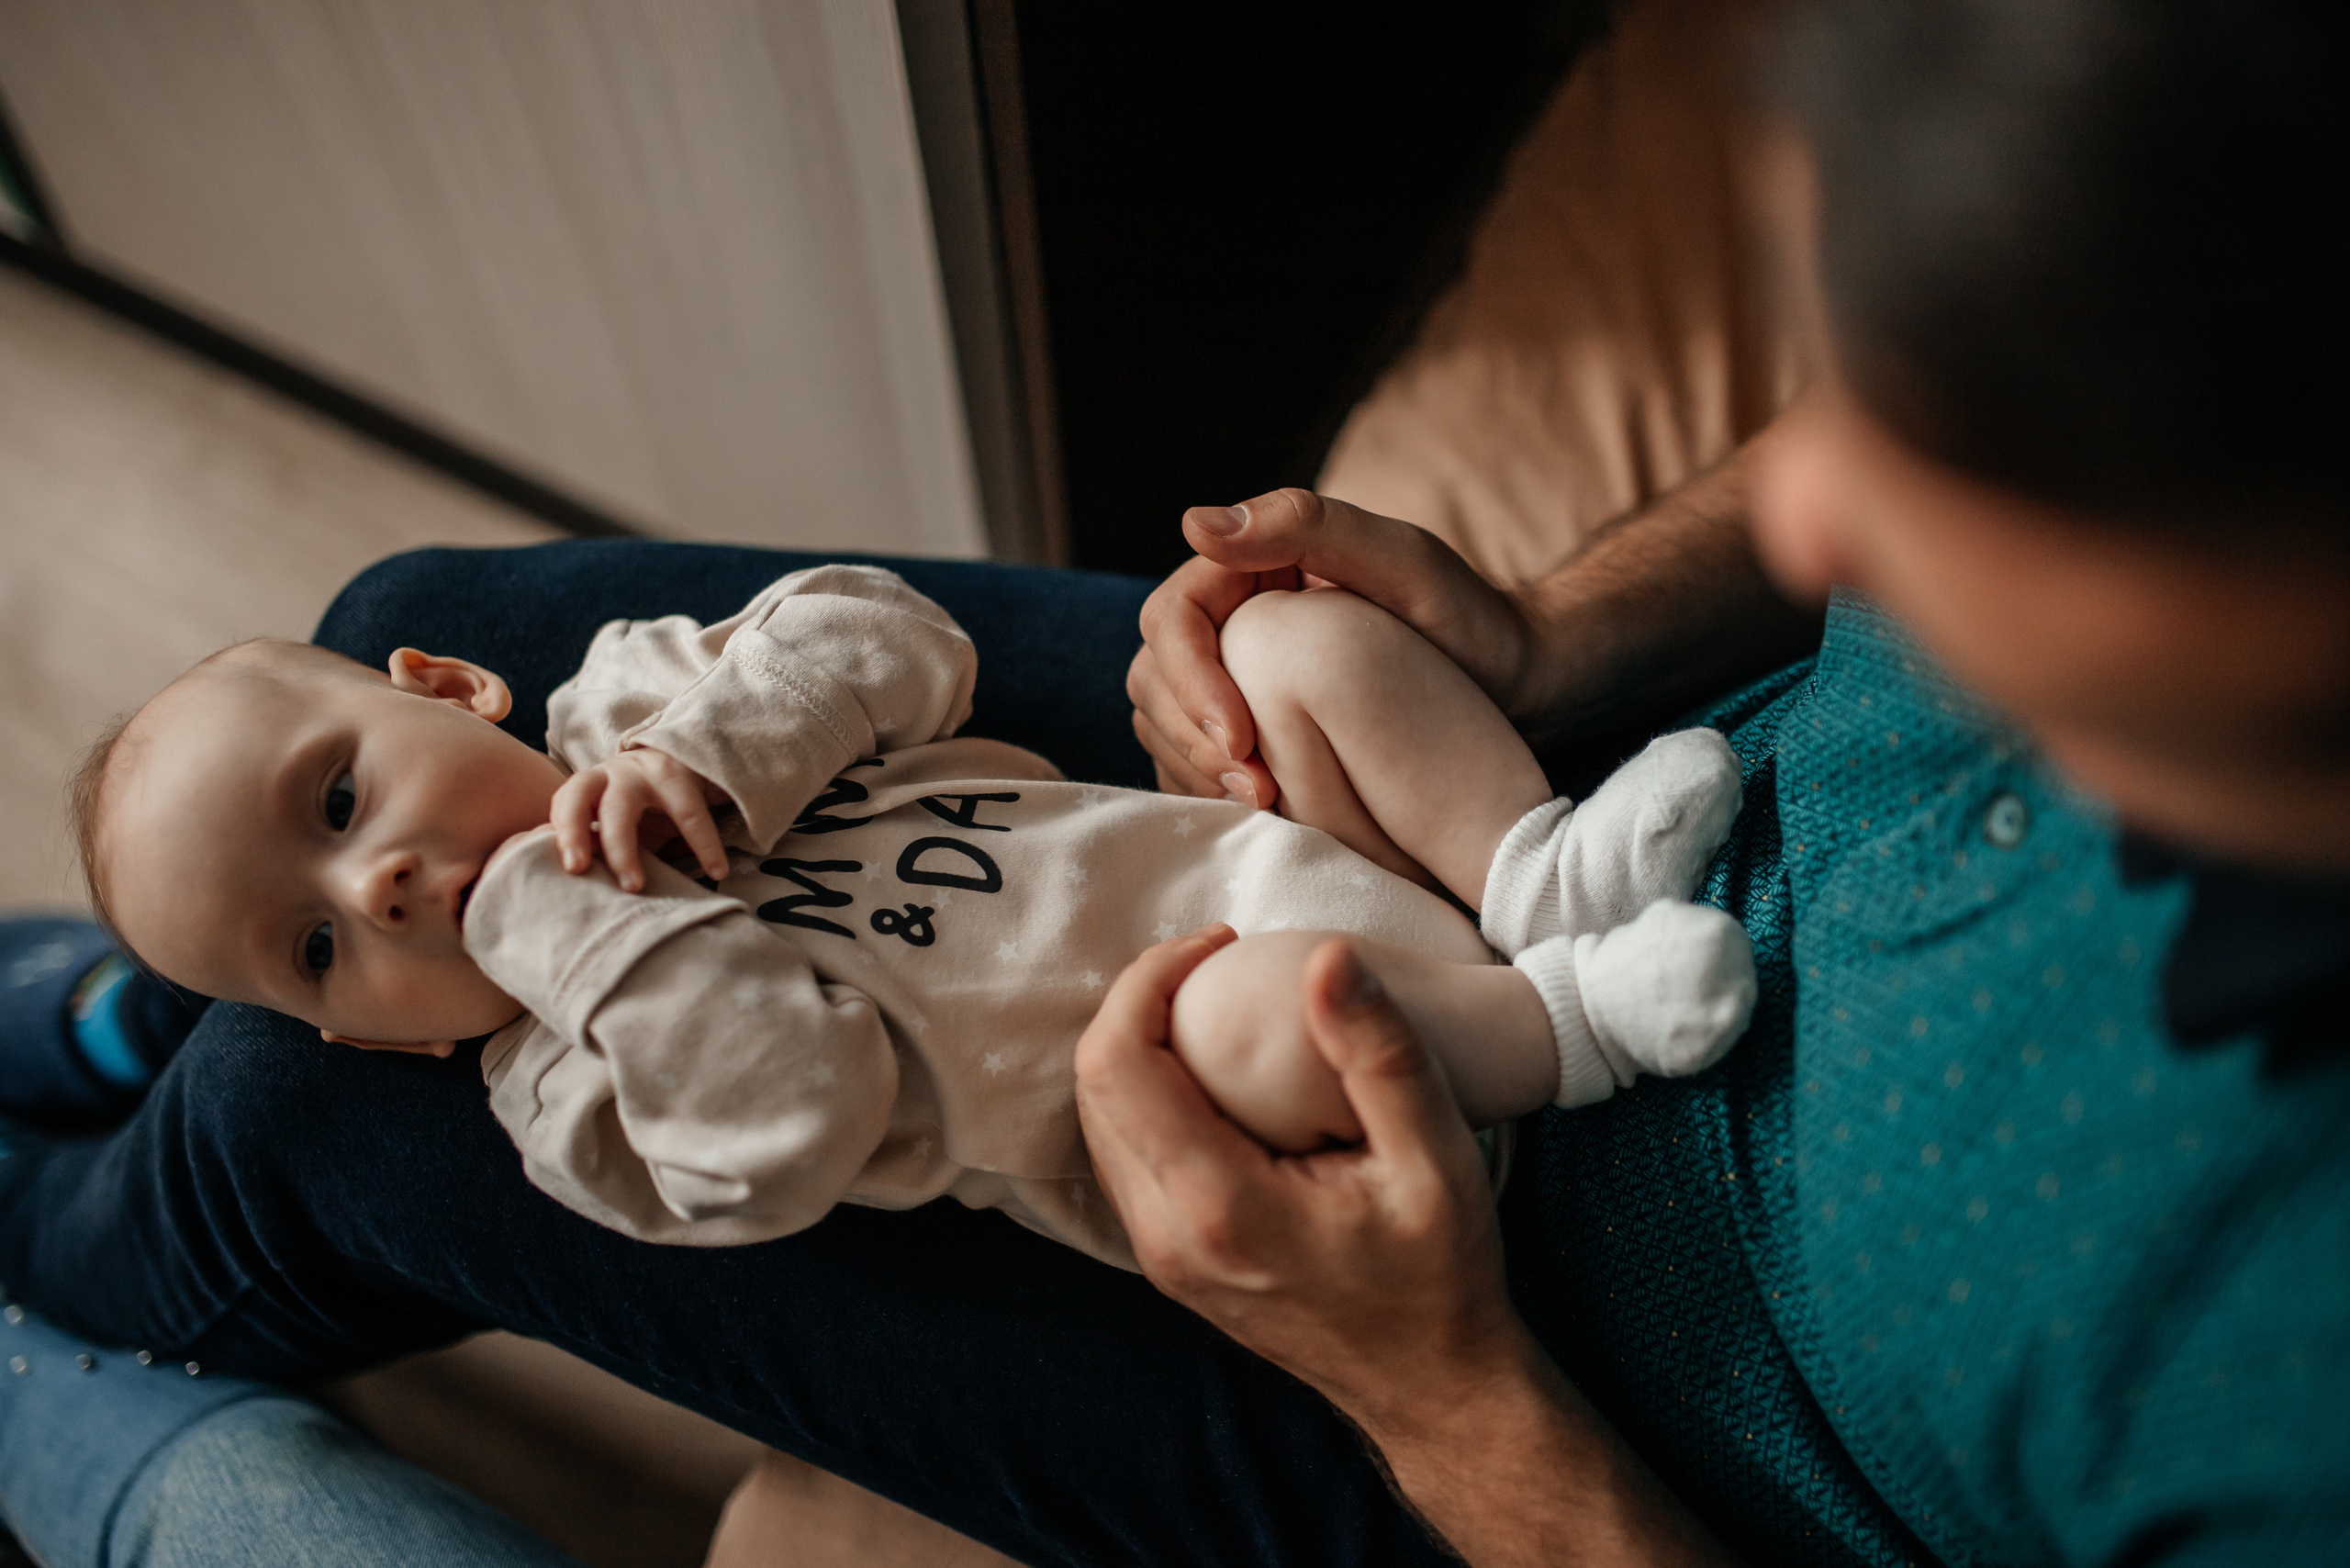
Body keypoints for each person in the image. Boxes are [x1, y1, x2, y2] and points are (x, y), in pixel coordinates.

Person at [1, 2, 2343, 1563]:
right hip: (1476, 843)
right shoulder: (2243, 237)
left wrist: (1442, 1391)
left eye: (1984, 474)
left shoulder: (2264, 1384)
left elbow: (800, 1022)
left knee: (303, 1106)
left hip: (1505, 1288)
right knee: (375, 647)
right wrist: (1552, 640)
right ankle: (142, 1003)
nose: (1810, 521)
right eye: (327, 934)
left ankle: (58, 1228)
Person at [77, 563, 1751, 1263]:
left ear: (450, 687)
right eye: (317, 948)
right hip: (1281, 1102)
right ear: (369, 1043)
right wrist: (578, 936)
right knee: (1230, 1009)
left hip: (1282, 847)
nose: (372, 887)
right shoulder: (572, 1099)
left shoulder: (632, 700)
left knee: (1285, 645)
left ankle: (1542, 875)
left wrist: (713, 754)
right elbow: (801, 1115)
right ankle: (1575, 1025)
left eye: (339, 803)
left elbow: (902, 642)